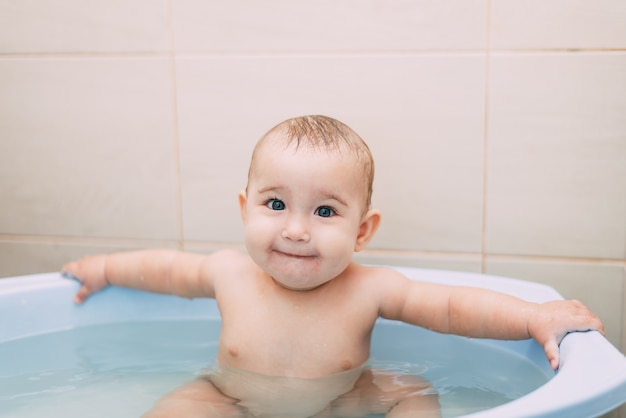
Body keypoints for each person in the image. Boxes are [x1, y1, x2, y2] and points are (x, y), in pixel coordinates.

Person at [62, 115, 603, 418]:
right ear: (244, 208)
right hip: (231, 399)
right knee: (178, 410)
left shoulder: (371, 289)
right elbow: (165, 270)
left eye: (324, 211)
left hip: (342, 402)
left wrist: (532, 317)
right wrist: (106, 268)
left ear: (362, 231)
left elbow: (453, 307)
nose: (296, 229)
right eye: (275, 204)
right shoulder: (228, 272)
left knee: (413, 393)